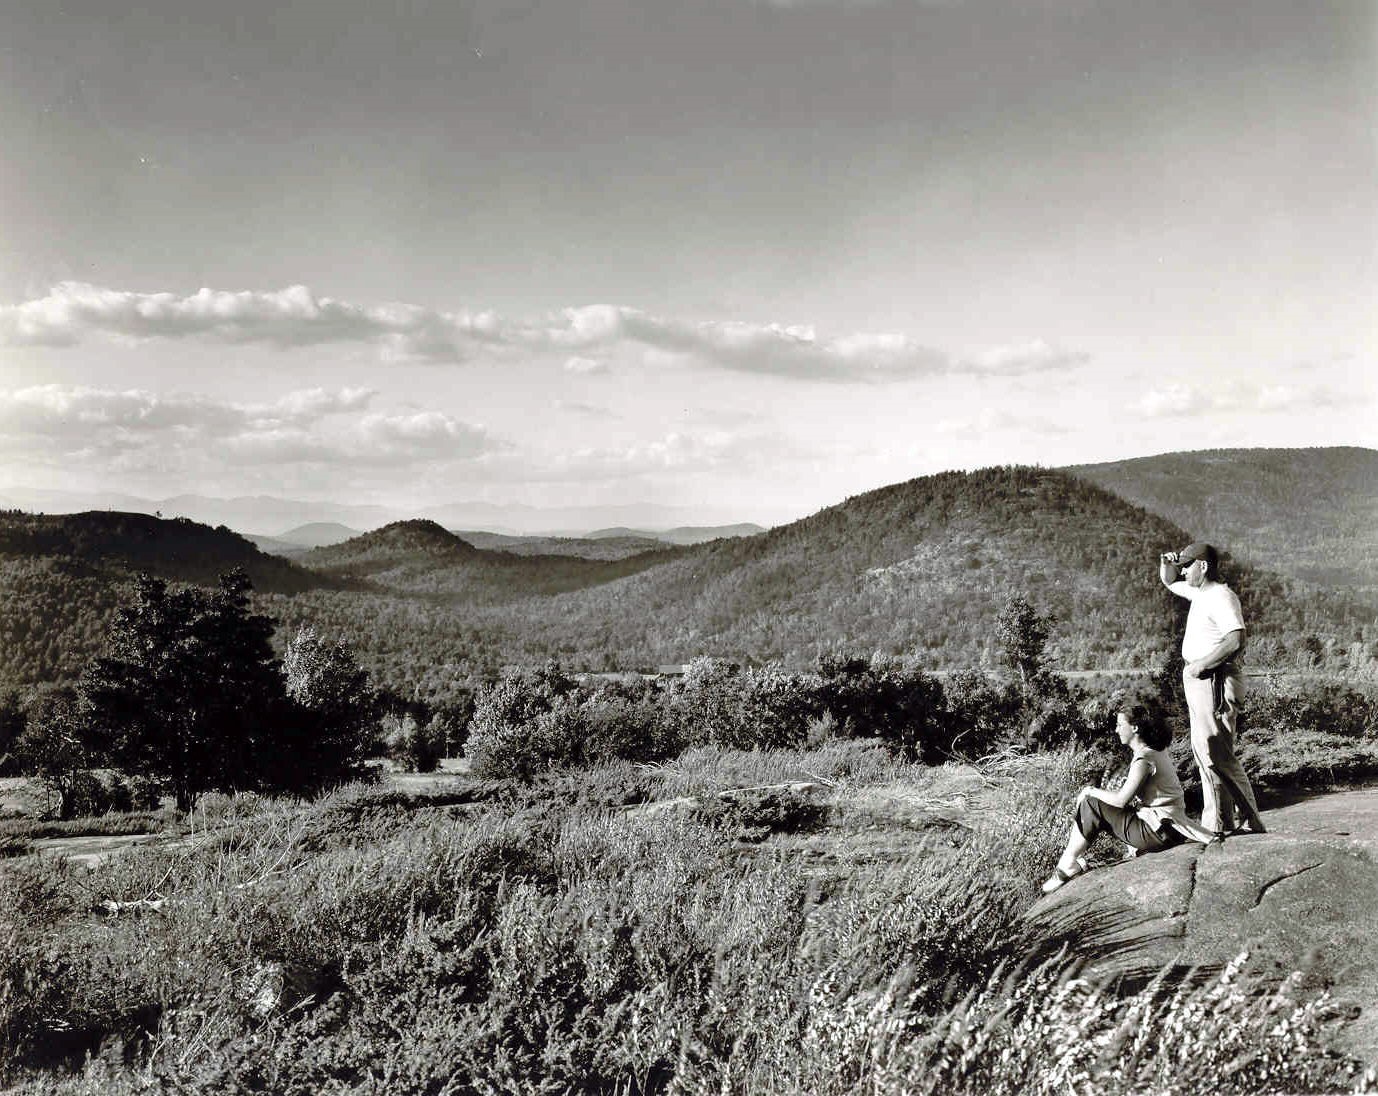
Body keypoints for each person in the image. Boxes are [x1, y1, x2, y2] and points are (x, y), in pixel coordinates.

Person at [1041, 689, 1214, 893]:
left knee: (1091, 804)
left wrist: (1090, 791)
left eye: (1119, 725)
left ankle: (1067, 865)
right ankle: (1068, 863)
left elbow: (1122, 800)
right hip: (1168, 827)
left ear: (1134, 727)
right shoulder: (1154, 751)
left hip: (1159, 832)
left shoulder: (1144, 759)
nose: (1116, 730)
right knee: (1094, 803)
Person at [1160, 542, 1267, 839]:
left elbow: (1236, 639)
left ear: (1203, 566)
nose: (1183, 570)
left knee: (1217, 754)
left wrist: (1201, 665)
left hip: (1214, 679)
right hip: (1203, 679)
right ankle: (1220, 822)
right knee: (1206, 752)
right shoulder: (1200, 592)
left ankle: (1249, 820)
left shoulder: (1221, 596)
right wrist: (1167, 563)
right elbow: (1169, 581)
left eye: (1187, 565)